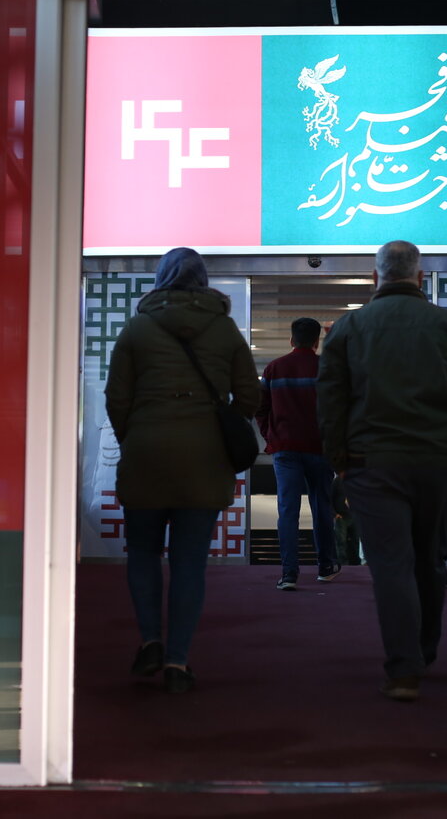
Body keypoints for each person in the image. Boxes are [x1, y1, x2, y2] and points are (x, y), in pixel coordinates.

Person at [316, 240, 447, 702]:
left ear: (375, 278)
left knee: (391, 564)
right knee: (429, 560)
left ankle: (404, 669)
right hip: (440, 462)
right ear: (419, 277)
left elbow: (330, 401)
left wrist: (340, 461)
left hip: (373, 465)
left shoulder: (349, 328)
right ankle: (424, 651)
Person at [104, 247, 260, 694]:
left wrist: (135, 435)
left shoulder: (136, 328)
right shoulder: (225, 329)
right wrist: (222, 423)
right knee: (189, 562)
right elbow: (250, 395)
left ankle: (150, 640)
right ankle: (177, 661)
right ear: (202, 281)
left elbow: (117, 397)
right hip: (204, 456)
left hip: (146, 451)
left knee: (143, 552)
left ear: (160, 278)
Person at [255, 317, 341, 591]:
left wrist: (271, 435)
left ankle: (289, 574)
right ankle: (326, 567)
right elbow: (340, 410)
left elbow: (260, 408)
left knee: (287, 510)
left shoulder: (274, 368)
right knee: (322, 507)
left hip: (285, 449)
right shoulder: (328, 369)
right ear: (317, 341)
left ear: (291, 340)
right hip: (320, 449)